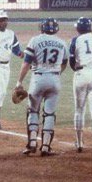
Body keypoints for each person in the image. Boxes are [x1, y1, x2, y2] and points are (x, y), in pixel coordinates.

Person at [16, 19, 70, 156]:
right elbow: (64, 63)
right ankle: (46, 147)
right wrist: (56, 73)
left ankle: (32, 143)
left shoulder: (35, 40)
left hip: (38, 79)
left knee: (33, 111)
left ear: (42, 28)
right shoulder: (62, 43)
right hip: (55, 79)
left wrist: (19, 82)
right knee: (50, 113)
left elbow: (26, 63)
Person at [68, 17, 92, 154]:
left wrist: (77, 69)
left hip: (81, 74)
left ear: (78, 28)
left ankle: (79, 143)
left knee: (79, 110)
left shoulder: (76, 40)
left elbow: (71, 60)